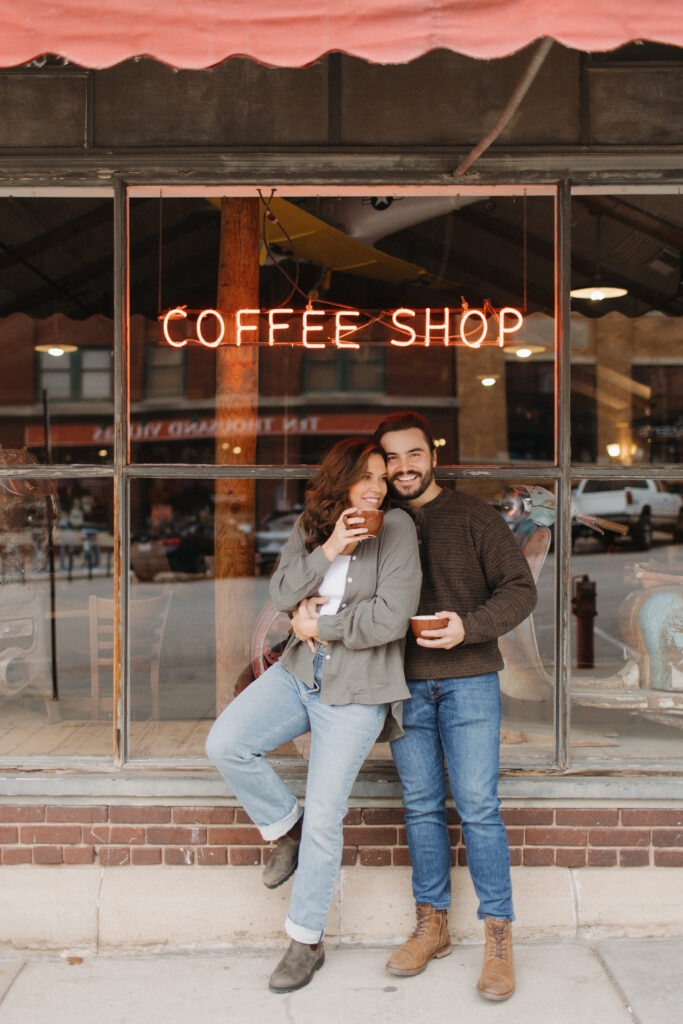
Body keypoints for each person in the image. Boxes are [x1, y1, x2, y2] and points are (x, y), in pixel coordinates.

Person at [206, 437, 421, 994]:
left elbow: (391, 618)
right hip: (300, 674)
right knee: (226, 743)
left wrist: (316, 627)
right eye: (365, 476)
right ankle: (287, 829)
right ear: (340, 481)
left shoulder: (396, 530)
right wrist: (331, 548)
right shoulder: (314, 524)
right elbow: (280, 591)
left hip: (358, 690)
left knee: (328, 814)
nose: (376, 486)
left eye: (381, 476)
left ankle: (306, 941)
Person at [374, 411, 537, 1002]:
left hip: (470, 680)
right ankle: (432, 924)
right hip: (402, 683)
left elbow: (521, 589)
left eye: (412, 454)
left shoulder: (472, 515)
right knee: (419, 804)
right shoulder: (380, 522)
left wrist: (467, 627)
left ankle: (498, 936)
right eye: (391, 458)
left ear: (432, 456)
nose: (402, 468)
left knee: (477, 806)